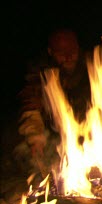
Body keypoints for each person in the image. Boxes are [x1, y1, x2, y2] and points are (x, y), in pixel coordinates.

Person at [15, 27, 92, 178]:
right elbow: (30, 108)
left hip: (88, 134)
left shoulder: (93, 66)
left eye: (73, 52)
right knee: (23, 153)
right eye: (62, 53)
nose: (69, 57)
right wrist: (35, 137)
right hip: (53, 136)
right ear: (51, 52)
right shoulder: (40, 73)